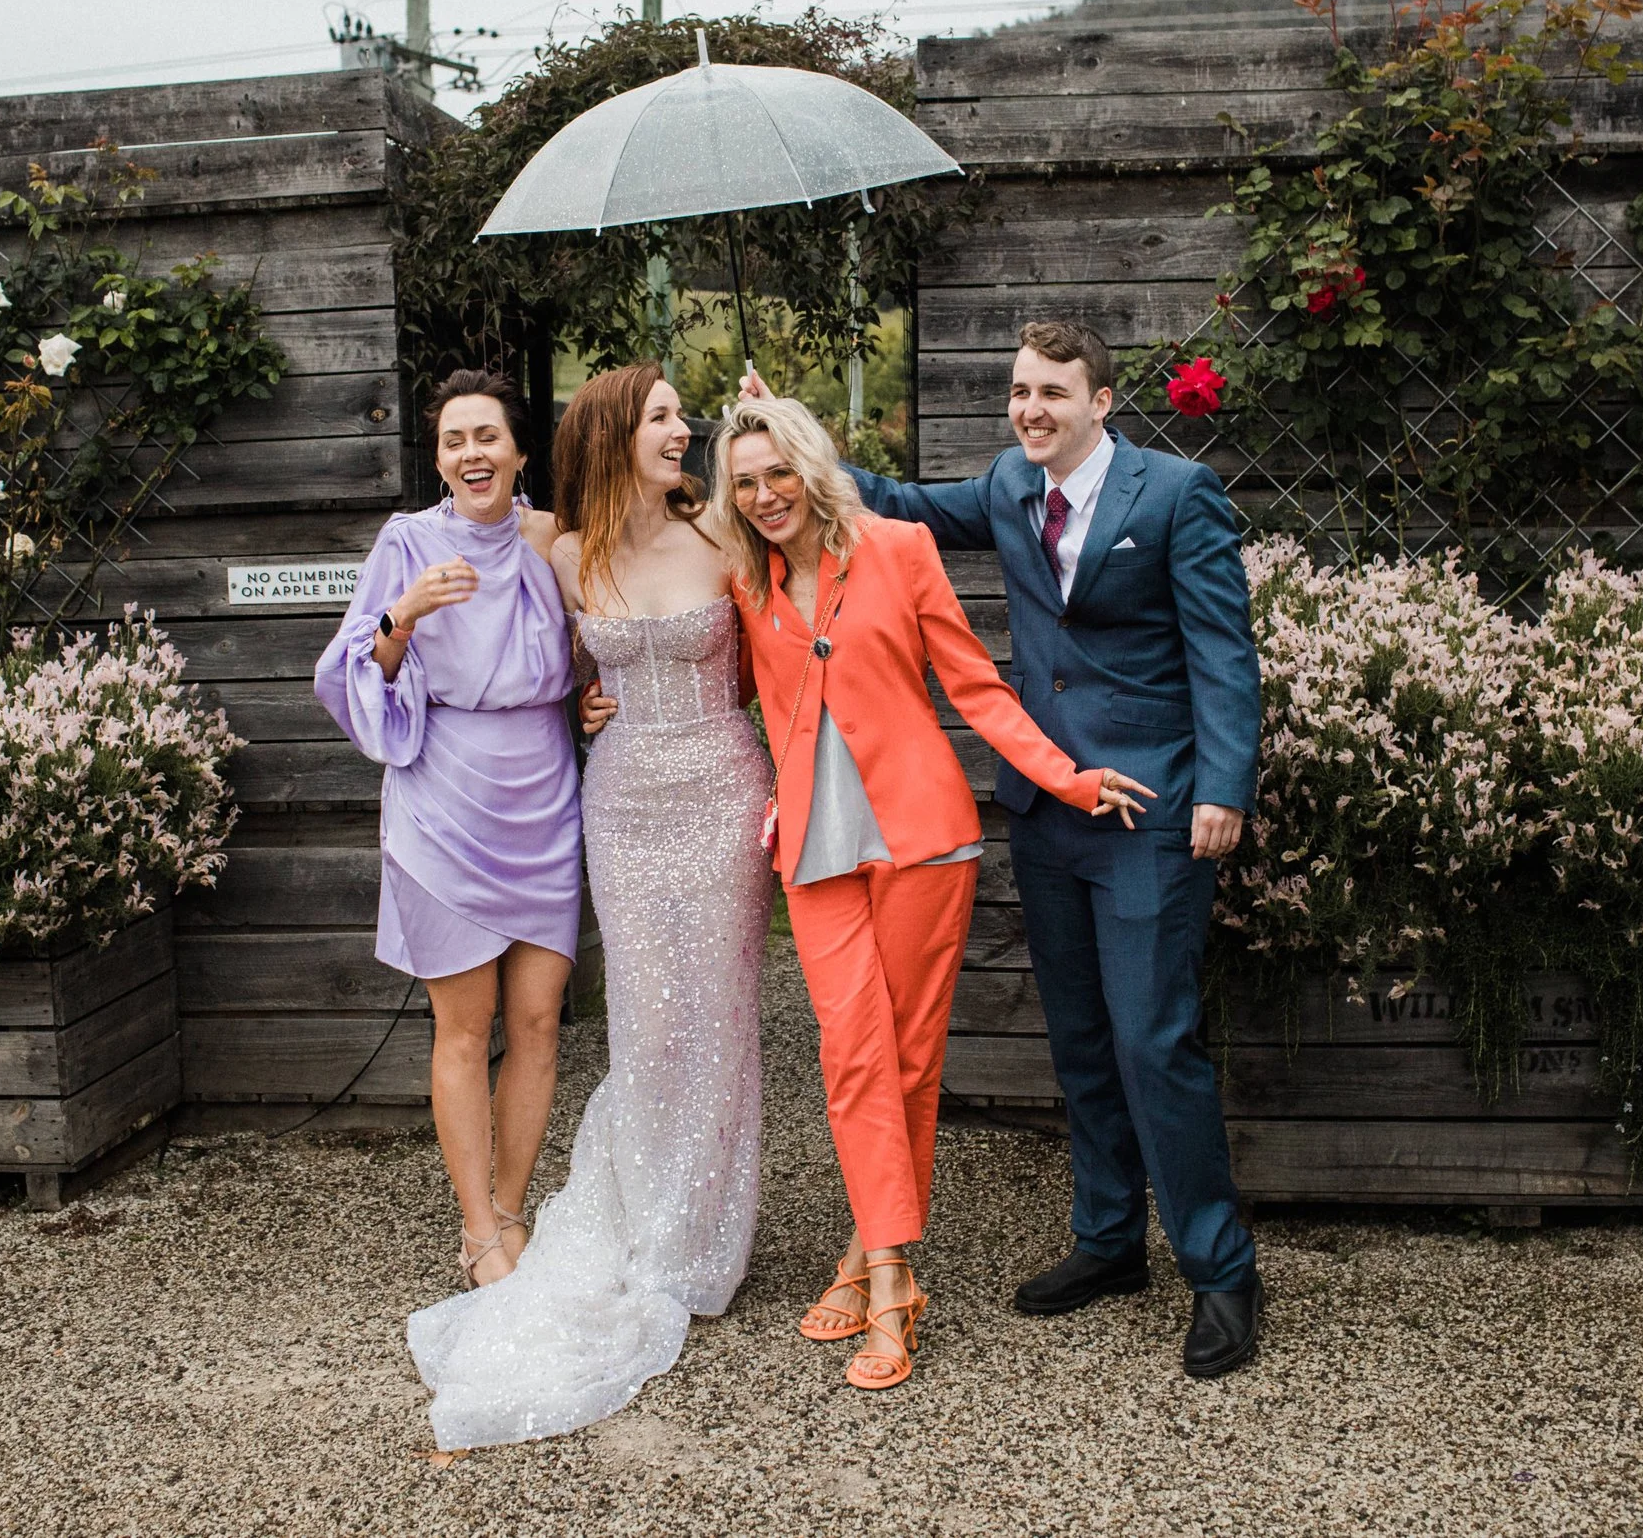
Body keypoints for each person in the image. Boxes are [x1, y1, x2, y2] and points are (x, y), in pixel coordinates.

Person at [697, 388, 1152, 1392]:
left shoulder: (899, 549)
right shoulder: (742, 578)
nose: (766, 493)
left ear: (811, 466)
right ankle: (894, 1273)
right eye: (744, 483)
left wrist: (1067, 774)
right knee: (851, 1051)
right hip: (814, 849)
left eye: (778, 472)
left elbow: (975, 685)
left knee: (904, 1060)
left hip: (921, 836)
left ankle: (874, 1256)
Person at [843, 320, 1267, 1381]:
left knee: (1152, 1040)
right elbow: (895, 503)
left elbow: (1223, 649)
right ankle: (1109, 1241)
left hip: (1149, 813)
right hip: (1044, 809)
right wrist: (774, 429)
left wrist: (1222, 786)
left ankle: (1222, 1271)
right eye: (1020, 390)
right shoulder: (1002, 484)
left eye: (1053, 392)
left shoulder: (1174, 495)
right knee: (1078, 1040)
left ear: (1102, 401)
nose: (1031, 408)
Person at [405, 362, 773, 1450]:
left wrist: (759, 422)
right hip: (618, 802)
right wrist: (584, 692)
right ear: (615, 433)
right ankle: (638, 1217)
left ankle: (703, 1238)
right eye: (664, 416)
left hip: (719, 785)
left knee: (723, 1014)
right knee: (650, 1019)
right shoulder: (562, 550)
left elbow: (782, 648)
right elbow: (470, 532)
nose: (684, 429)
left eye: (685, 416)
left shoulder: (724, 533)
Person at [313, 367, 580, 1291]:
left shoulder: (550, 538)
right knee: (465, 1028)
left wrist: (593, 697)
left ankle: (511, 1208)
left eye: (487, 437)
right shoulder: (408, 542)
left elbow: (594, 641)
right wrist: (405, 611)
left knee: (539, 1020)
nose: (472, 453)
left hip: (545, 793)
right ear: (438, 459)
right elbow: (351, 670)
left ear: (518, 450)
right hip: (446, 799)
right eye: (454, 441)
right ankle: (476, 1234)